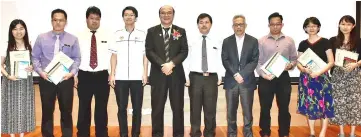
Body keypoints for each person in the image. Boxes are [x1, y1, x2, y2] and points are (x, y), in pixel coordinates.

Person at [32, 8, 81, 137]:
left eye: (61, 20)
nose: (58, 23)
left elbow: (77, 58)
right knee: (47, 111)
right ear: (51, 21)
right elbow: (35, 57)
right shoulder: (41, 38)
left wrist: (72, 73)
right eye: (55, 20)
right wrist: (40, 72)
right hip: (46, 79)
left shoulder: (73, 39)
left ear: (66, 22)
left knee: (66, 111)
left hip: (65, 79)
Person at [145, 5, 188, 137]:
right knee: (157, 108)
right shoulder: (152, 31)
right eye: (163, 13)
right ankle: (157, 134)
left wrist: (172, 64)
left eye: (169, 13)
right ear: (160, 15)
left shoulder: (180, 31)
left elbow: (184, 51)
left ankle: (178, 134)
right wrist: (163, 65)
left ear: (173, 15)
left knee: (177, 108)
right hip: (158, 74)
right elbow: (149, 51)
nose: (166, 15)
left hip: (176, 75)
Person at [108, 6, 149, 137]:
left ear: (135, 18)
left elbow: (145, 56)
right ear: (123, 17)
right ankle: (123, 134)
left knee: (137, 109)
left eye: (131, 15)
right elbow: (113, 55)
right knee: (121, 108)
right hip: (120, 77)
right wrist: (112, 73)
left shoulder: (142, 34)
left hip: (137, 77)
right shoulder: (117, 34)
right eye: (126, 14)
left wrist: (145, 73)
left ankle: (136, 133)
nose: (129, 17)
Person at [255, 12, 297, 137]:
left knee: (284, 108)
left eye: (278, 24)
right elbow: (258, 61)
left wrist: (291, 65)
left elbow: (294, 58)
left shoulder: (289, 41)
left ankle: (284, 133)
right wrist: (263, 75)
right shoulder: (261, 41)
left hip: (283, 78)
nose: (275, 26)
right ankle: (265, 132)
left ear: (282, 24)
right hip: (266, 79)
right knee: (265, 108)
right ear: (268, 25)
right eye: (272, 24)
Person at [183, 13, 223, 137]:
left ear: (211, 24)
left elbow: (221, 59)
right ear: (197, 24)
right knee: (195, 108)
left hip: (211, 78)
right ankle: (195, 133)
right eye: (201, 22)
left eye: (206, 22)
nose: (204, 25)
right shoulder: (191, 40)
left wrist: (220, 76)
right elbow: (186, 59)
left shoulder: (218, 40)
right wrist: (186, 77)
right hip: (195, 77)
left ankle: (210, 133)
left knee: (210, 109)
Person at [221, 14, 259, 137]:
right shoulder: (227, 41)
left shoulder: (253, 41)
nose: (238, 27)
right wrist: (235, 74)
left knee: (247, 112)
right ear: (233, 26)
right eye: (236, 24)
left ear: (245, 25)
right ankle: (232, 134)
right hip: (231, 81)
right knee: (231, 112)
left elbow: (254, 60)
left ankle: (248, 134)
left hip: (247, 81)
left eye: (241, 24)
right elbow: (225, 59)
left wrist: (242, 74)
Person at [296, 17, 334, 137]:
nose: (311, 28)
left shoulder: (325, 42)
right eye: (308, 26)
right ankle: (312, 132)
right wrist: (303, 69)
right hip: (307, 79)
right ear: (305, 28)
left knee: (325, 104)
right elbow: (298, 62)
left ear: (318, 27)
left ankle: (322, 132)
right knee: (310, 105)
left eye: (314, 26)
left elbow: (331, 61)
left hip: (322, 78)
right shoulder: (302, 44)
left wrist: (319, 73)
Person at [75, 6, 110, 137]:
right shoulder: (78, 36)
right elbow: (74, 57)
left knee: (101, 108)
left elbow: (112, 55)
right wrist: (75, 75)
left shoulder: (107, 35)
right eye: (92, 18)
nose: (94, 21)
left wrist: (111, 74)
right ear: (86, 19)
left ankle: (102, 134)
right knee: (84, 107)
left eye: (97, 18)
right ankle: (83, 133)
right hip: (84, 75)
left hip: (102, 76)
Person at [1, 19, 35, 137]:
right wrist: (7, 75)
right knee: (11, 107)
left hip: (25, 82)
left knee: (24, 107)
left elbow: (35, 63)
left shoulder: (30, 45)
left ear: (25, 30)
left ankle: (21, 134)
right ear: (11, 31)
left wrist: (32, 67)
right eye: (15, 29)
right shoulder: (6, 45)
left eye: (21, 28)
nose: (18, 31)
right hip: (10, 81)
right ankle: (11, 134)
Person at [329, 15, 361, 137]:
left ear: (353, 26)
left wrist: (356, 64)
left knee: (354, 103)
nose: (345, 27)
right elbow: (329, 58)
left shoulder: (359, 41)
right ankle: (341, 132)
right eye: (343, 24)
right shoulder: (332, 40)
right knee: (339, 103)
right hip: (338, 76)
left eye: (348, 24)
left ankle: (352, 133)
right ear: (339, 25)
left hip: (354, 76)